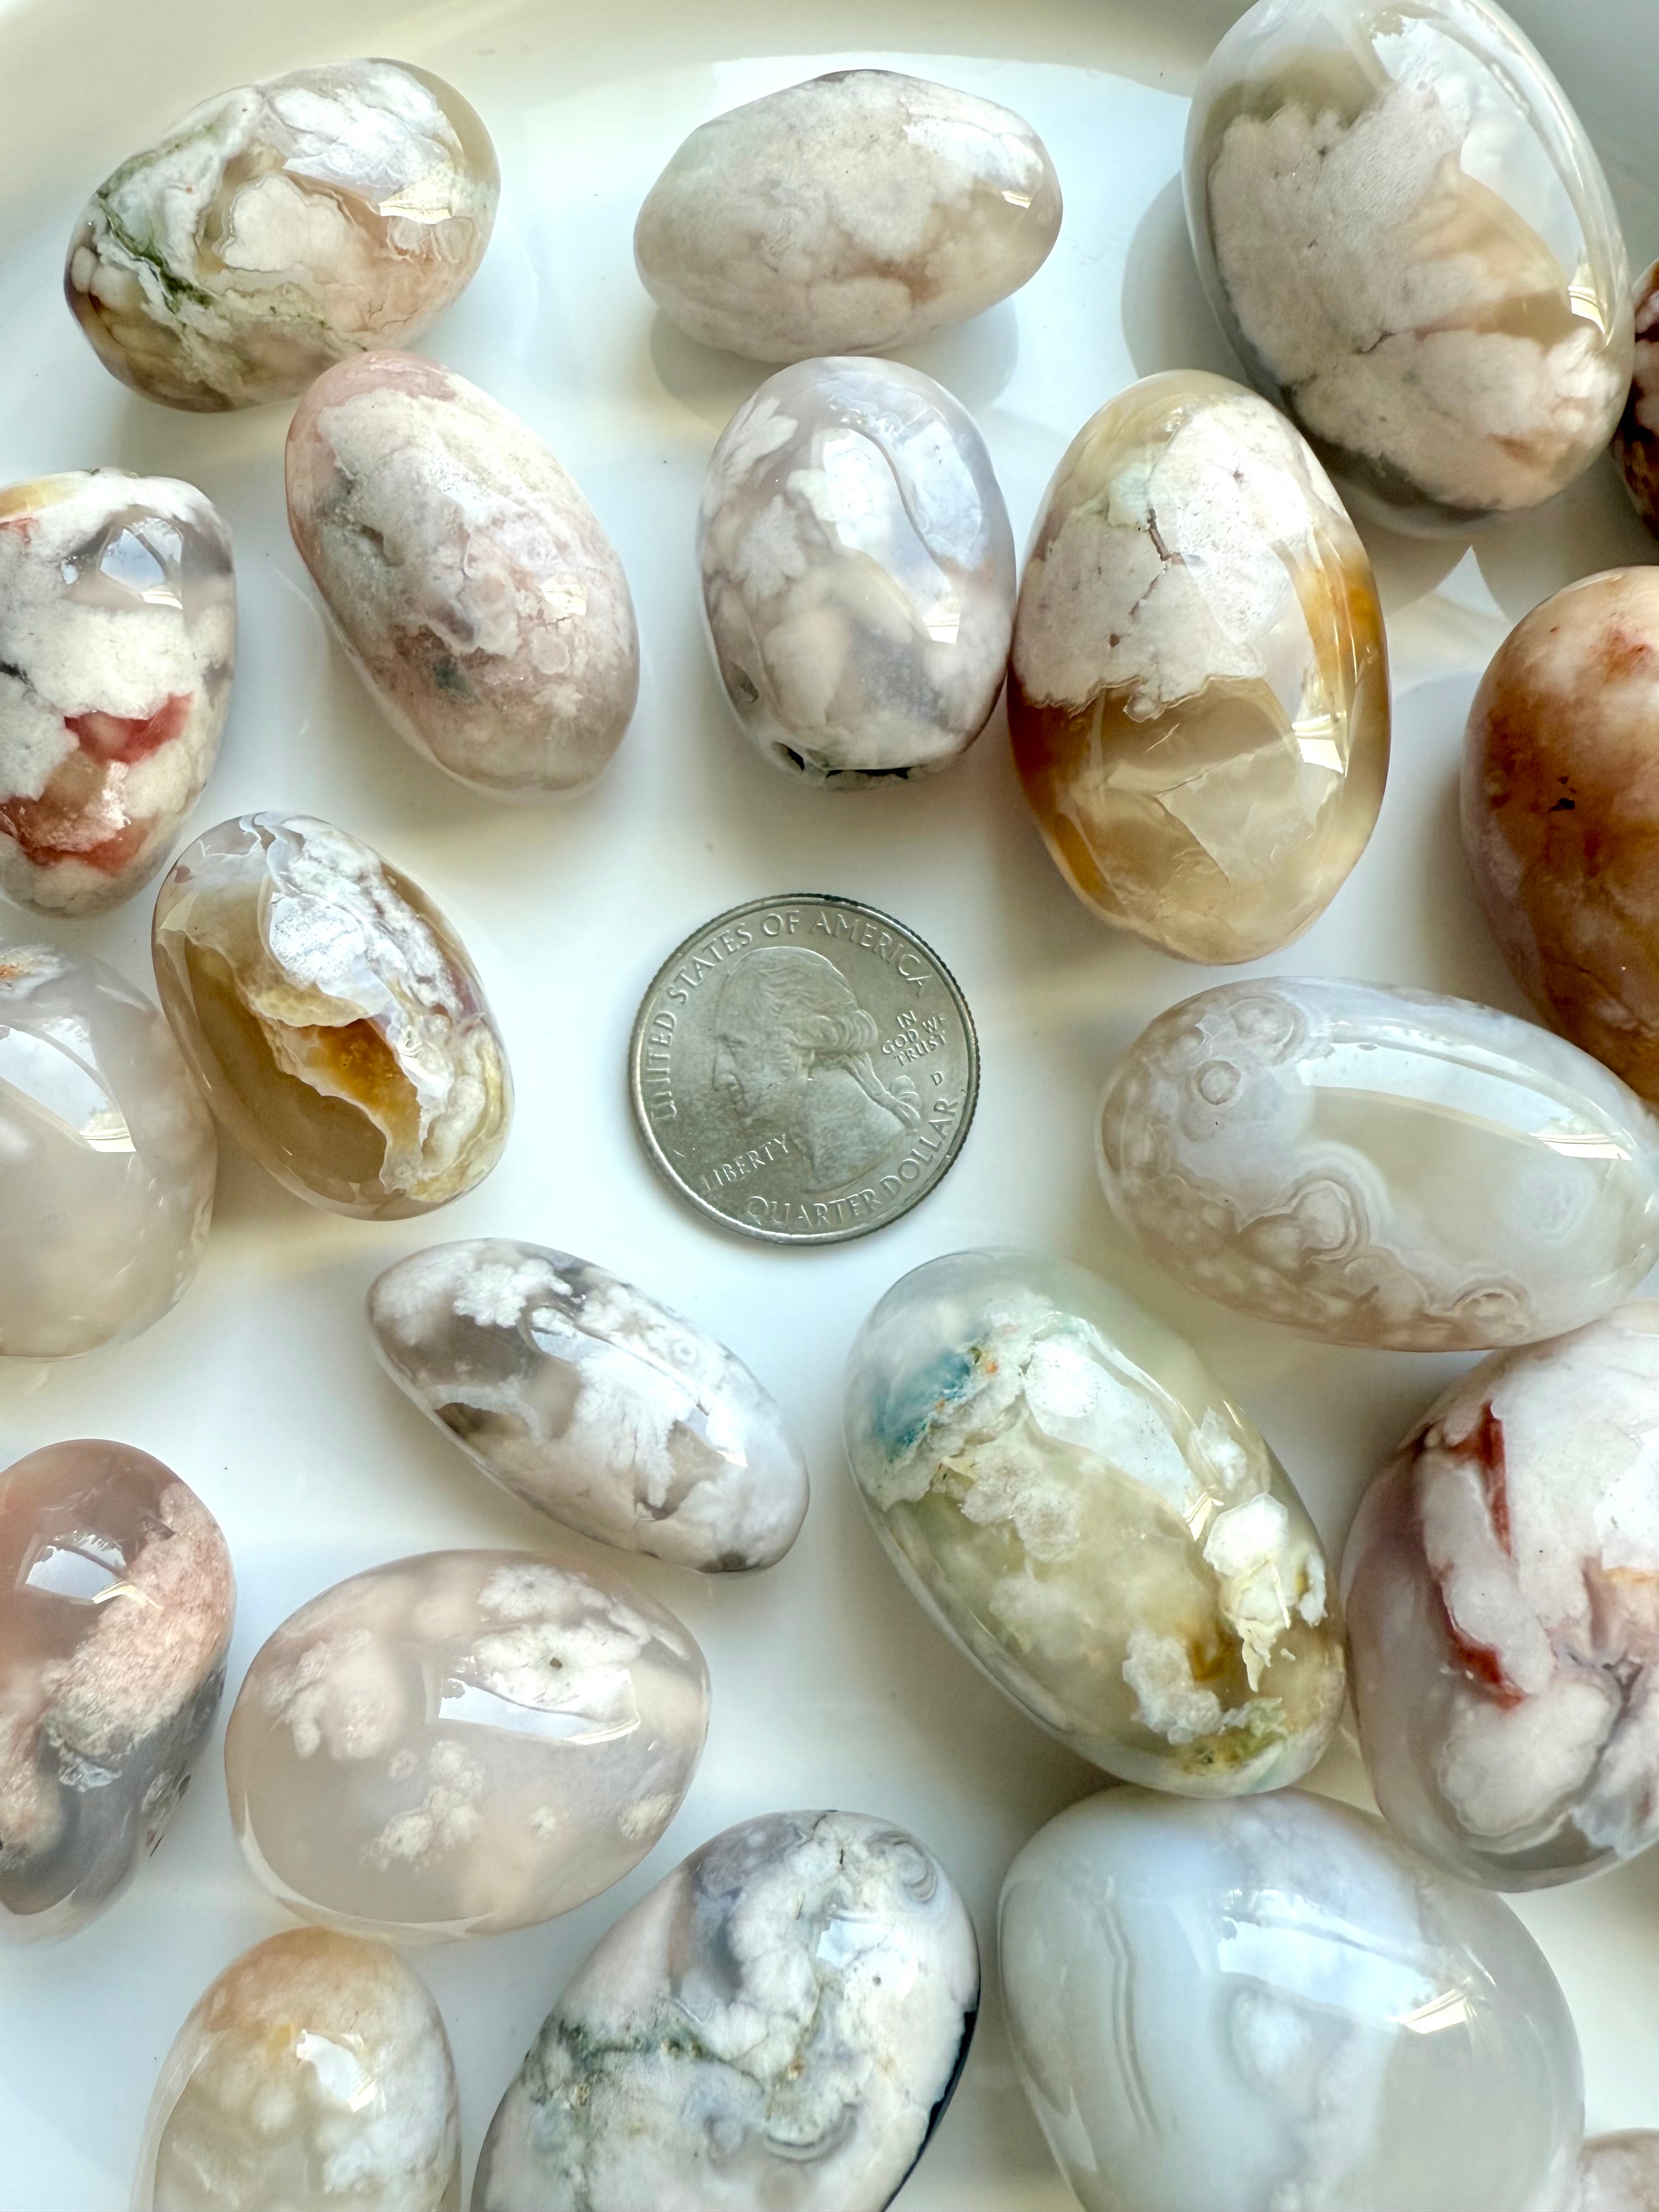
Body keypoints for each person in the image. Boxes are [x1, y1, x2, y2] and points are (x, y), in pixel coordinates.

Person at [712, 946, 922, 1191]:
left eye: (736, 1047)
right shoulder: (829, 1164)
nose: (719, 1078)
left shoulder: (866, 1154)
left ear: (810, 1036)